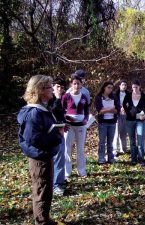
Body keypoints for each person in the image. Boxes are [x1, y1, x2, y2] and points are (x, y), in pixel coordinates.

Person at [17, 75, 63, 225]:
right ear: (41, 90)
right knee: (42, 190)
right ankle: (42, 222)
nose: (53, 89)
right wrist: (57, 136)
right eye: (50, 87)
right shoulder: (34, 112)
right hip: (39, 157)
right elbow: (34, 139)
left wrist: (56, 129)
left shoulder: (42, 109)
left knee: (45, 189)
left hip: (44, 154)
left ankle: (44, 219)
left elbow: (42, 131)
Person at [62, 74, 89, 179]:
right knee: (67, 149)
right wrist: (66, 117)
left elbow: (87, 111)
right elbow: (61, 111)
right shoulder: (66, 96)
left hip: (81, 126)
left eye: (78, 83)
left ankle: (81, 171)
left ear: (81, 84)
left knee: (80, 149)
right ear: (71, 84)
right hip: (69, 126)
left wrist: (86, 119)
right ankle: (67, 172)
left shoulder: (84, 97)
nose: (76, 86)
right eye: (74, 83)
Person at [123, 80, 145, 166]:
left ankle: (141, 159)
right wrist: (127, 111)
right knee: (132, 141)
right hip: (130, 120)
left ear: (139, 87)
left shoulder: (144, 96)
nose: (134, 89)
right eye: (133, 87)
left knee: (140, 140)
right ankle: (133, 159)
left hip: (140, 121)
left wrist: (144, 114)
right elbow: (123, 104)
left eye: (136, 87)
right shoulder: (128, 95)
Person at [94, 81, 120, 164]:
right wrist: (110, 110)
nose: (110, 89)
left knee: (110, 142)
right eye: (108, 87)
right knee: (102, 142)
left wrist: (110, 110)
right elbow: (100, 111)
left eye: (112, 88)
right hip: (103, 123)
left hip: (112, 122)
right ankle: (101, 158)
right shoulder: (98, 97)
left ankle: (110, 158)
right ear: (104, 88)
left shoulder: (114, 97)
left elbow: (117, 110)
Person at [50, 78, 67, 195]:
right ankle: (55, 185)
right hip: (50, 133)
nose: (60, 89)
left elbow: (60, 114)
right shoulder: (50, 99)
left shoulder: (62, 99)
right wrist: (57, 97)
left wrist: (65, 123)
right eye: (57, 87)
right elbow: (53, 111)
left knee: (61, 158)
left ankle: (59, 182)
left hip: (60, 132)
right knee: (54, 159)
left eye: (61, 87)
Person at [112, 80, 129, 155]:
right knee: (116, 133)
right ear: (119, 86)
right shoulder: (115, 94)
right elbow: (113, 104)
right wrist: (119, 109)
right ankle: (115, 150)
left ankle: (124, 149)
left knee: (124, 132)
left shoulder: (129, 94)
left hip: (126, 115)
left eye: (125, 85)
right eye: (122, 85)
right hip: (117, 115)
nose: (124, 86)